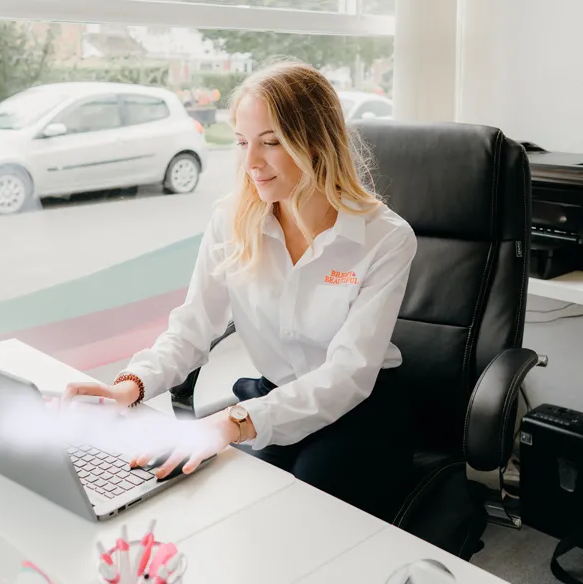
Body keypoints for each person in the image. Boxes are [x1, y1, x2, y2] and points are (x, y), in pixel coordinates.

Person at [65, 59, 418, 521]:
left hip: (361, 410)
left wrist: (235, 422)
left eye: (271, 143)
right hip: (272, 397)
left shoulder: (386, 238)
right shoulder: (231, 220)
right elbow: (192, 328)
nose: (250, 162)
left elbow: (348, 374)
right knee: (227, 504)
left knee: (297, 515)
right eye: (242, 142)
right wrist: (131, 385)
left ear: (316, 143)